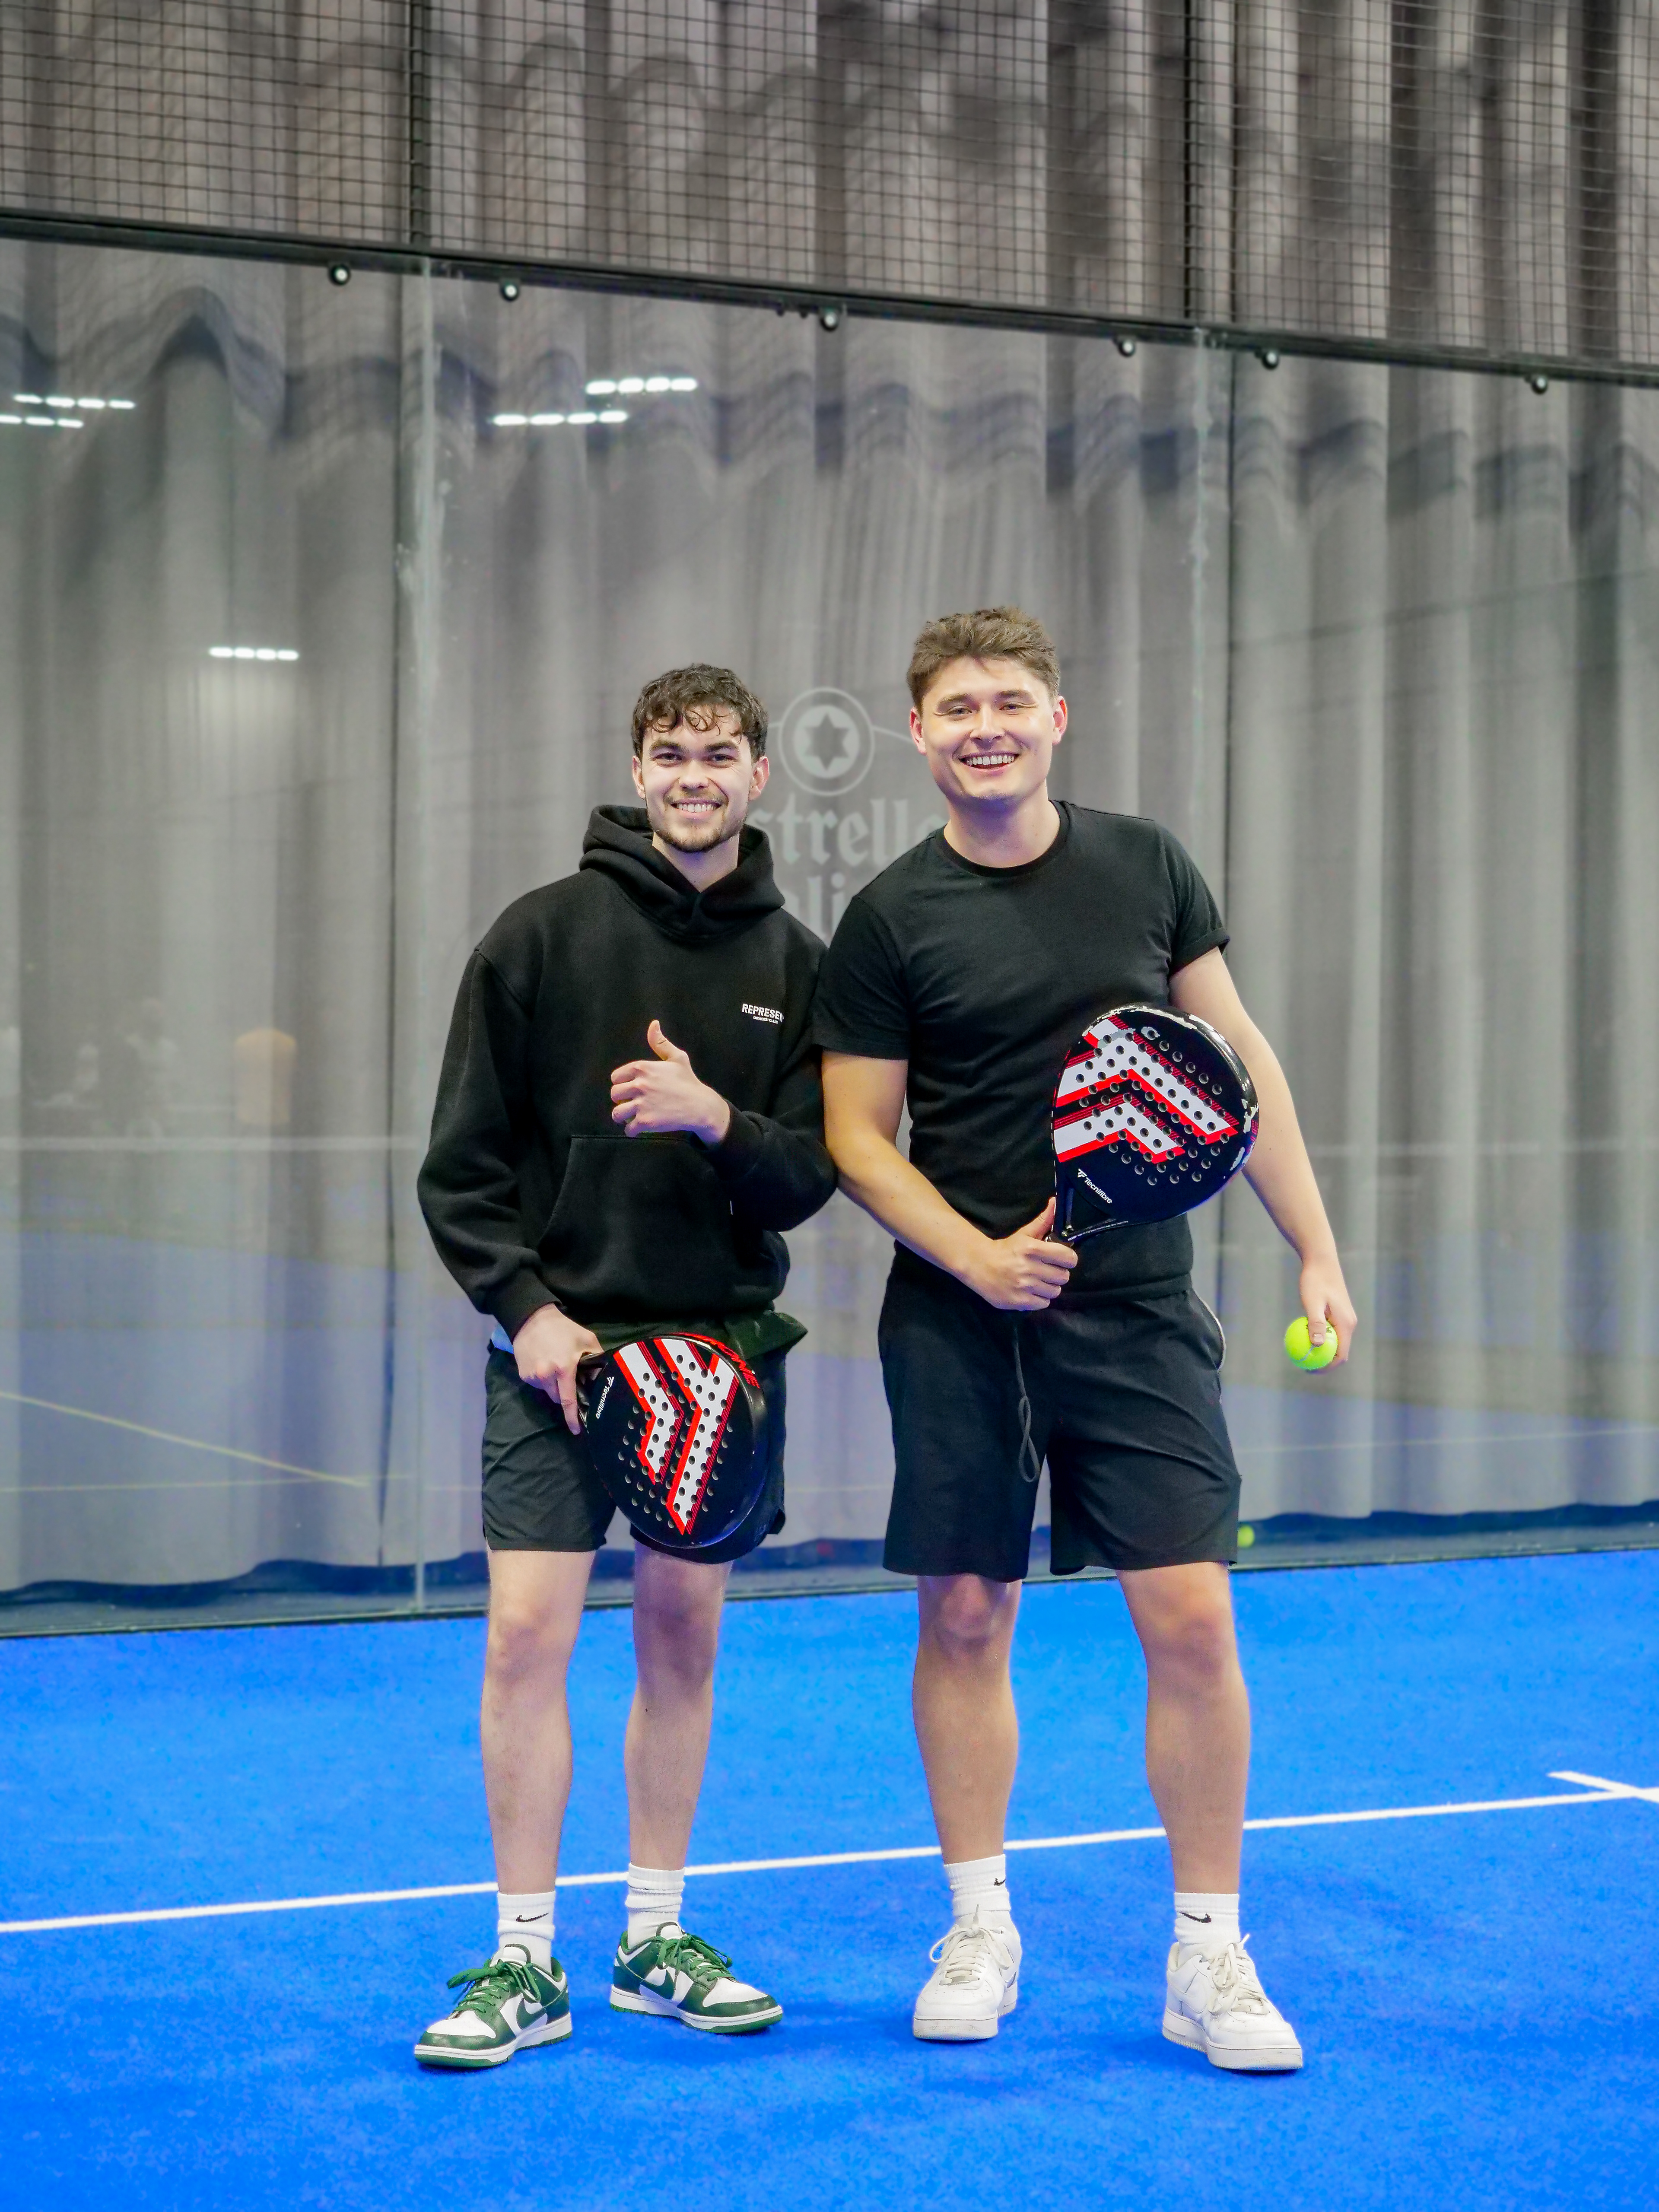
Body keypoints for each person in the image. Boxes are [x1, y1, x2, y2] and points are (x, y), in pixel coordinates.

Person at [814, 606, 1357, 2070]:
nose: (985, 726)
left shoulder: (1148, 867)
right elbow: (857, 1137)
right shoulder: (887, 919)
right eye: (957, 707)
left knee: (1192, 1618)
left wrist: (1316, 1245)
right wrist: (978, 1258)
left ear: (1057, 719)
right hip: (961, 1318)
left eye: (1011, 701)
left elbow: (1235, 1072)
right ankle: (979, 1928)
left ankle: (1208, 1955)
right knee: (966, 1615)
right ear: (917, 734)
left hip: (1137, 1311)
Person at [415, 664, 837, 2066]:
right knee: (524, 1639)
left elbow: (809, 1177)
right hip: (559, 1360)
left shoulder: (799, 964)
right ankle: (523, 1962)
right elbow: (460, 1169)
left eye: (719, 753)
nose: (693, 776)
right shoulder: (540, 935)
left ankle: (655, 1938)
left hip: (717, 1364)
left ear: (760, 773)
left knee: (681, 1644)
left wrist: (717, 1117)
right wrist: (526, 1309)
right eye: (670, 752)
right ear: (639, 769)